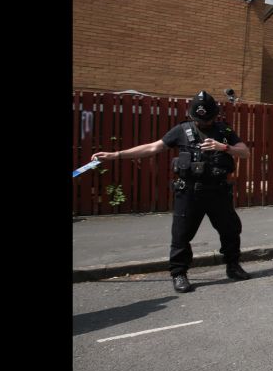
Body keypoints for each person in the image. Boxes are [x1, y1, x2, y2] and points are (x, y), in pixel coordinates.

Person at [91, 91, 253, 293]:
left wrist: (224, 147)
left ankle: (233, 266)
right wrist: (116, 155)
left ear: (215, 116)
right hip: (189, 193)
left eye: (208, 119)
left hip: (218, 191)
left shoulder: (224, 130)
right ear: (192, 116)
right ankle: (179, 274)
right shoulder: (181, 130)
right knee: (181, 235)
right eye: (199, 119)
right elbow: (152, 148)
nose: (203, 123)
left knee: (230, 230)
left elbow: (245, 152)